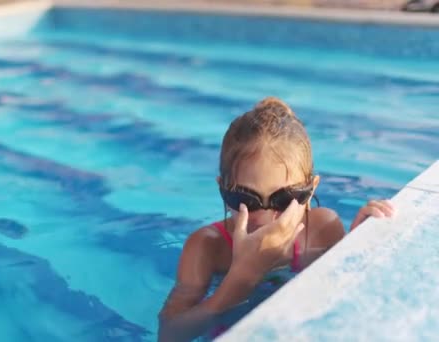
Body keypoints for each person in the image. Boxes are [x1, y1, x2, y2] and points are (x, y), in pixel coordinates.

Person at [158, 97, 394, 341]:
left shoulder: (322, 230)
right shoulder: (207, 247)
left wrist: (357, 249)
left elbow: (342, 303)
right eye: (247, 200)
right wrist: (243, 275)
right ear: (223, 192)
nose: (266, 218)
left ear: (311, 191)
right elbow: (170, 334)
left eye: (285, 199)